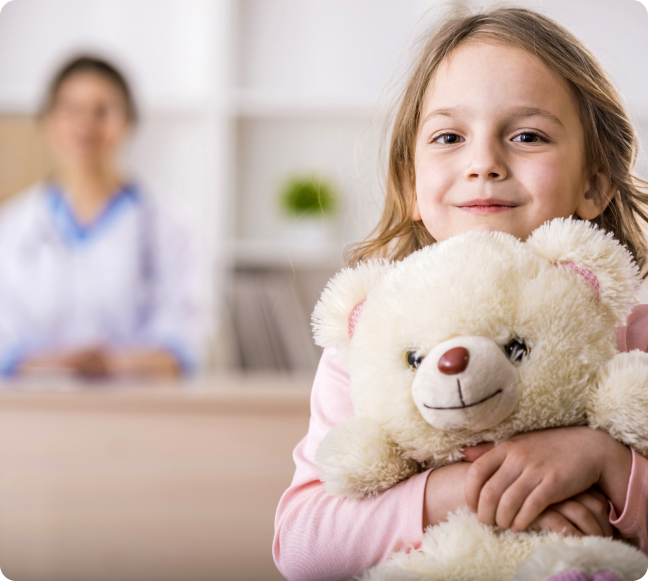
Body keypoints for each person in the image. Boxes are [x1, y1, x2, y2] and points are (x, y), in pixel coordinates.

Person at [273, 7, 648, 581]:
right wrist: (468, 491)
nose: (483, 164)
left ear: (594, 183)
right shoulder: (373, 343)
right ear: (411, 185)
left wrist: (604, 462)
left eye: (527, 136)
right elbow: (301, 547)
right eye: (450, 136)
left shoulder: (631, 337)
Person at [0, 56, 210, 380]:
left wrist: (113, 364)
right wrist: (61, 365)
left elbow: (185, 343)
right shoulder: (12, 227)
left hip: (138, 413)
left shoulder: (172, 226)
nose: (85, 125)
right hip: (37, 412)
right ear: (47, 121)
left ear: (129, 122)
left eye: (103, 111)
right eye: (69, 109)